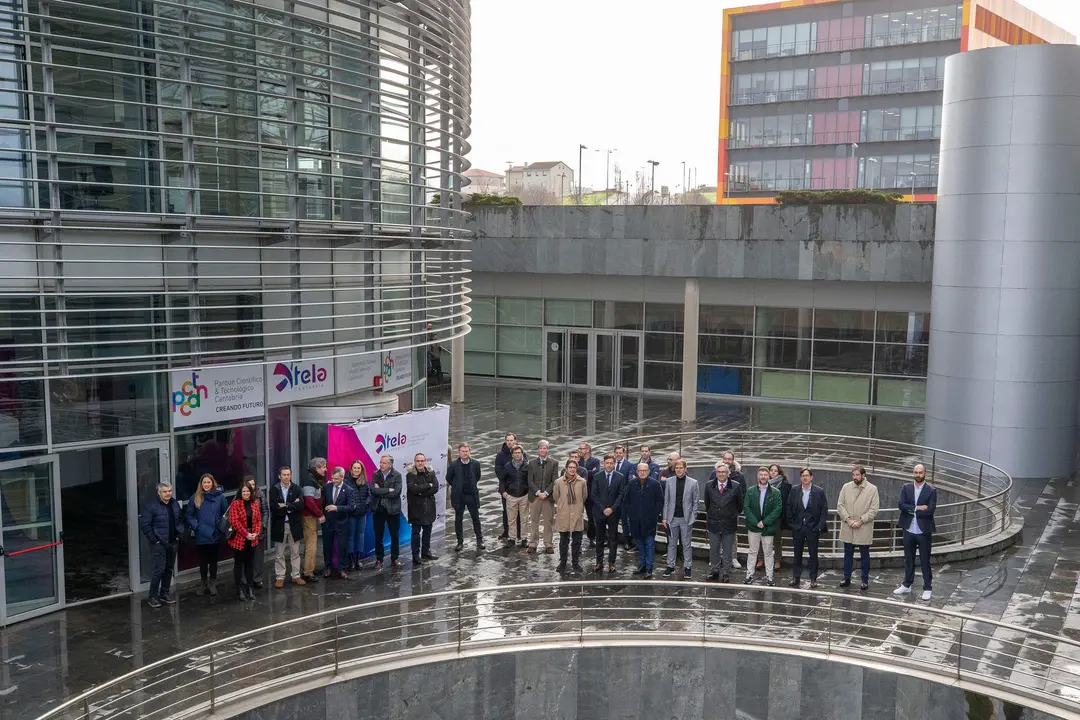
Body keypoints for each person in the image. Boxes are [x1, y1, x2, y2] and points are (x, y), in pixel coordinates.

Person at [894, 463, 937, 601]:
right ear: (913, 473)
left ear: (925, 473)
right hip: (908, 529)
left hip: (923, 531)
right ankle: (907, 584)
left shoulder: (931, 490)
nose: (918, 475)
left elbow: (930, 510)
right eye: (916, 472)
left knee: (925, 560)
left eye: (920, 472)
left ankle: (927, 587)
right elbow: (901, 505)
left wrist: (911, 510)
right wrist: (918, 508)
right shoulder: (906, 488)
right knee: (908, 559)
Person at [837, 464, 880, 591]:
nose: (855, 477)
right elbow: (840, 505)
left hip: (863, 528)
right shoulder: (846, 487)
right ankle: (846, 577)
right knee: (847, 554)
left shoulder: (872, 489)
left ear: (863, 475)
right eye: (853, 475)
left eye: (857, 475)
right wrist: (848, 520)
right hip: (848, 527)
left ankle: (864, 580)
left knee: (864, 555)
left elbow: (874, 509)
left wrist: (861, 521)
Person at [139, 482, 182, 608]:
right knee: (159, 570)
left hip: (173, 541)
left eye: (169, 491)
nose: (168, 493)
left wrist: (180, 533)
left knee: (169, 569)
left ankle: (165, 593)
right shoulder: (151, 506)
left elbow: (180, 519)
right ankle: (153, 596)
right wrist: (154, 540)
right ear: (159, 492)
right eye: (165, 491)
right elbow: (145, 525)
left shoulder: (174, 504)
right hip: (159, 543)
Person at [185, 473, 227, 597]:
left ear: (212, 483)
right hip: (201, 534)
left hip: (215, 534)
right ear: (201, 484)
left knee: (213, 561)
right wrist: (196, 526)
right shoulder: (195, 497)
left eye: (209, 482)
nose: (207, 485)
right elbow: (189, 515)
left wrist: (220, 527)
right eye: (204, 482)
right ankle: (204, 584)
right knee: (203, 561)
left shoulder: (220, 497)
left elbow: (226, 514)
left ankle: (212, 583)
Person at [786, 467, 828, 589]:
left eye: (807, 475)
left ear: (811, 477)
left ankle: (813, 579)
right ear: (800, 478)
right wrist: (792, 524)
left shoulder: (819, 491)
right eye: (803, 476)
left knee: (813, 554)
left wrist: (819, 526)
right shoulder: (794, 490)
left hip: (812, 528)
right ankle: (796, 577)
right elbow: (788, 507)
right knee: (797, 554)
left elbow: (824, 510)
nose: (805, 478)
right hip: (798, 528)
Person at [743, 466, 783, 586]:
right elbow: (746, 508)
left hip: (768, 527)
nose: (763, 477)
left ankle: (770, 577)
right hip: (753, 527)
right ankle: (749, 575)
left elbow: (778, 509)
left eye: (765, 475)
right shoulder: (750, 491)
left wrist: (764, 522)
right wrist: (756, 522)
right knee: (752, 552)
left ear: (768, 476)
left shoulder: (776, 492)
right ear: (757, 476)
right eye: (761, 475)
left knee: (768, 552)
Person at [703, 463, 743, 582]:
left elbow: (740, 505)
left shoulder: (736, 486)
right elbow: (707, 503)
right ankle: (714, 571)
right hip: (714, 523)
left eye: (723, 472)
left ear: (728, 473)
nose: (721, 474)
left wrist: (730, 514)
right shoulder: (709, 485)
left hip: (729, 524)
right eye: (719, 472)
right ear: (716, 473)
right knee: (714, 549)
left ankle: (726, 572)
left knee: (727, 550)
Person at [625, 462, 664, 578]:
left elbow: (659, 501)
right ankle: (642, 564)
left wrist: (654, 515)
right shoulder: (632, 483)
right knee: (639, 544)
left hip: (649, 521)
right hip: (635, 520)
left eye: (644, 470)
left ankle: (649, 568)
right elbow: (626, 500)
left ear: (648, 472)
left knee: (649, 544)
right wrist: (630, 514)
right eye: (640, 470)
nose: (642, 472)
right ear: (637, 471)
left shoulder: (655, 484)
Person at [662, 458, 698, 579]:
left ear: (685, 469)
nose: (678, 470)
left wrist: (693, 517)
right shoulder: (669, 481)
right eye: (676, 468)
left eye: (681, 468)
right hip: (672, 518)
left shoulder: (693, 483)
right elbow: (666, 500)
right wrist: (665, 517)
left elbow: (695, 502)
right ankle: (670, 566)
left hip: (686, 519)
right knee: (671, 544)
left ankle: (688, 567)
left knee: (686, 544)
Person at [590, 454, 627, 573]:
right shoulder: (597, 476)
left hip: (614, 513)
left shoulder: (620, 477)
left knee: (613, 538)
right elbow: (594, 494)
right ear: (603, 463)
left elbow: (621, 494)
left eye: (612, 463)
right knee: (600, 538)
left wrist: (612, 508)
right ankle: (599, 562)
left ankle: (612, 562)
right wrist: (603, 508)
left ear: (614, 464)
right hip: (600, 512)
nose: (609, 465)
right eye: (607, 463)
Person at [269, 465, 305, 588]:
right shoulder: (274, 490)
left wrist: (285, 506)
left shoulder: (297, 489)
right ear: (279, 476)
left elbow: (300, 505)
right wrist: (291, 507)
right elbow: (274, 509)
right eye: (284, 475)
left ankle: (296, 576)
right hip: (280, 525)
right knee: (279, 553)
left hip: (294, 524)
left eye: (288, 474)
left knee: (295, 552)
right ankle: (280, 577)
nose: (286, 477)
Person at [552, 458, 588, 574]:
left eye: (574, 467)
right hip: (564, 513)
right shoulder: (558, 482)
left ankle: (575, 562)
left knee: (577, 540)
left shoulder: (582, 481)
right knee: (563, 540)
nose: (572, 470)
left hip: (577, 513)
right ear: (566, 468)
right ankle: (563, 562)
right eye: (570, 467)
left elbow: (584, 496)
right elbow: (556, 496)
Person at [447, 443, 485, 551]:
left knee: (476, 518)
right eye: (463, 451)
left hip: (471, 495)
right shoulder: (454, 465)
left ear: (470, 451)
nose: (465, 453)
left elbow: (477, 476)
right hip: (459, 496)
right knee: (458, 519)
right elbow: (449, 478)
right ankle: (460, 542)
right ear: (459, 452)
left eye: (467, 451)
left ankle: (479, 540)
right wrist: (457, 486)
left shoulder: (476, 464)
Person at [228, 483, 262, 602]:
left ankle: (249, 588)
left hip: (252, 539)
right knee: (238, 565)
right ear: (240, 493)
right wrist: (246, 534)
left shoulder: (254, 504)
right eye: (244, 492)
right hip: (239, 539)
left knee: (250, 565)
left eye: (248, 491)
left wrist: (255, 533)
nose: (246, 493)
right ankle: (239, 589)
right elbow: (235, 522)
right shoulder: (235, 504)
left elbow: (258, 520)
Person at [322, 466, 357, 578]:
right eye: (332, 478)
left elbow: (351, 507)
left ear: (342, 477)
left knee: (342, 546)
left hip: (342, 522)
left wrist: (337, 508)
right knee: (327, 546)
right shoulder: (327, 487)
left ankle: (342, 568)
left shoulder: (349, 490)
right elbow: (322, 503)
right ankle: (328, 567)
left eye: (336, 479)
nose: (333, 481)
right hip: (328, 522)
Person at [371, 454, 403, 569]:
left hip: (392, 510)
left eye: (384, 463)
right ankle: (379, 559)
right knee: (378, 536)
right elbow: (373, 490)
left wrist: (380, 490)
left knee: (394, 535)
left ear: (390, 464)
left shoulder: (397, 475)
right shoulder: (376, 474)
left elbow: (396, 493)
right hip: (378, 509)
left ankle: (394, 558)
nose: (381, 465)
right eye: (380, 462)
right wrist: (387, 490)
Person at [406, 453, 440, 565]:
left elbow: (435, 487)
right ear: (415, 462)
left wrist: (422, 492)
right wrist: (427, 486)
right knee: (416, 533)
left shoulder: (430, 472)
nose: (420, 463)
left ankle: (426, 552)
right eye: (418, 461)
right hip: (416, 509)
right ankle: (415, 556)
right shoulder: (410, 475)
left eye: (422, 460)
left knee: (427, 531)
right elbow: (413, 489)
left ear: (425, 461)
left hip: (429, 508)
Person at [526, 440, 558, 554]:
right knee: (534, 520)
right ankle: (533, 543)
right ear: (538, 450)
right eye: (541, 448)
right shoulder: (531, 463)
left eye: (545, 448)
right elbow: (530, 481)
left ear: (548, 450)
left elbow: (554, 480)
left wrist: (546, 493)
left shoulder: (554, 463)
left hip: (548, 497)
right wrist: (538, 492)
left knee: (548, 521)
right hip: (535, 497)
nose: (542, 450)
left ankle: (548, 543)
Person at [300, 457, 327, 583]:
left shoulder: (313, 478)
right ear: (317, 468)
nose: (325, 469)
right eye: (324, 467)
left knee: (313, 543)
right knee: (311, 544)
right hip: (309, 516)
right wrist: (320, 514)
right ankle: (308, 572)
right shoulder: (309, 480)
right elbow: (309, 501)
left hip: (312, 516)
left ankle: (310, 568)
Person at [494, 433, 524, 541]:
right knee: (506, 512)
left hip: (520, 489)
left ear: (515, 441)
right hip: (507, 490)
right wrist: (504, 488)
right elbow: (499, 473)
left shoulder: (521, 453)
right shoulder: (500, 456)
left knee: (520, 514)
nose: (510, 442)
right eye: (508, 440)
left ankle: (520, 533)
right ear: (505, 441)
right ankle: (507, 532)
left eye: (512, 440)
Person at [500, 445, 530, 547]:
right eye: (515, 453)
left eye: (519, 453)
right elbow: (502, 480)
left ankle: (524, 538)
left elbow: (530, 480)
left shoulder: (527, 465)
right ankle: (512, 538)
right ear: (512, 455)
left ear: (522, 453)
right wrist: (503, 492)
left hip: (524, 496)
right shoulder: (508, 466)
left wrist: (529, 492)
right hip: (511, 496)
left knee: (524, 519)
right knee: (511, 519)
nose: (517, 454)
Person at [345, 460, 371, 571]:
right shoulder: (346, 481)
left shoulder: (365, 481)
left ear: (361, 470)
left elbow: (369, 495)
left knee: (360, 535)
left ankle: (358, 560)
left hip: (362, 514)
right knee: (350, 536)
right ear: (351, 469)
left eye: (358, 468)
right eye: (354, 468)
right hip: (351, 514)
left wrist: (366, 505)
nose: (356, 470)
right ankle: (350, 561)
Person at [243, 476, 268, 589]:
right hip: (245, 532)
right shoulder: (241, 495)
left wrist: (263, 525)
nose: (251, 487)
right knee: (246, 557)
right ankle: (245, 579)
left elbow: (265, 511)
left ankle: (258, 579)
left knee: (258, 557)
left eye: (253, 484)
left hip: (258, 531)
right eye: (249, 484)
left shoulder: (260, 494)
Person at [767, 464, 792, 571]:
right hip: (765, 516)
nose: (773, 472)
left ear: (779, 472)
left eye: (775, 471)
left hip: (778, 517)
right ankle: (761, 560)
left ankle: (777, 560)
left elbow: (786, 501)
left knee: (777, 540)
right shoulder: (764, 483)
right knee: (763, 539)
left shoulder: (784, 484)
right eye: (771, 470)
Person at [577, 442, 601, 545]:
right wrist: (588, 472)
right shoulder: (578, 461)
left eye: (581, 448)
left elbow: (595, 474)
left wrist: (583, 472)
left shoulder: (595, 461)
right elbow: (574, 472)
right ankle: (577, 538)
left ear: (588, 450)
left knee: (592, 517)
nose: (579, 450)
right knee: (577, 516)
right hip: (579, 493)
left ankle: (592, 538)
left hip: (590, 493)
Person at [613, 444, 635, 551]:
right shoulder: (611, 463)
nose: (618, 455)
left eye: (620, 453)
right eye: (616, 453)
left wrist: (622, 494)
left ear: (624, 453)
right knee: (613, 520)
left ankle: (627, 541)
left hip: (623, 498)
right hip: (612, 498)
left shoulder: (629, 465)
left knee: (625, 521)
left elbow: (630, 481)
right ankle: (613, 539)